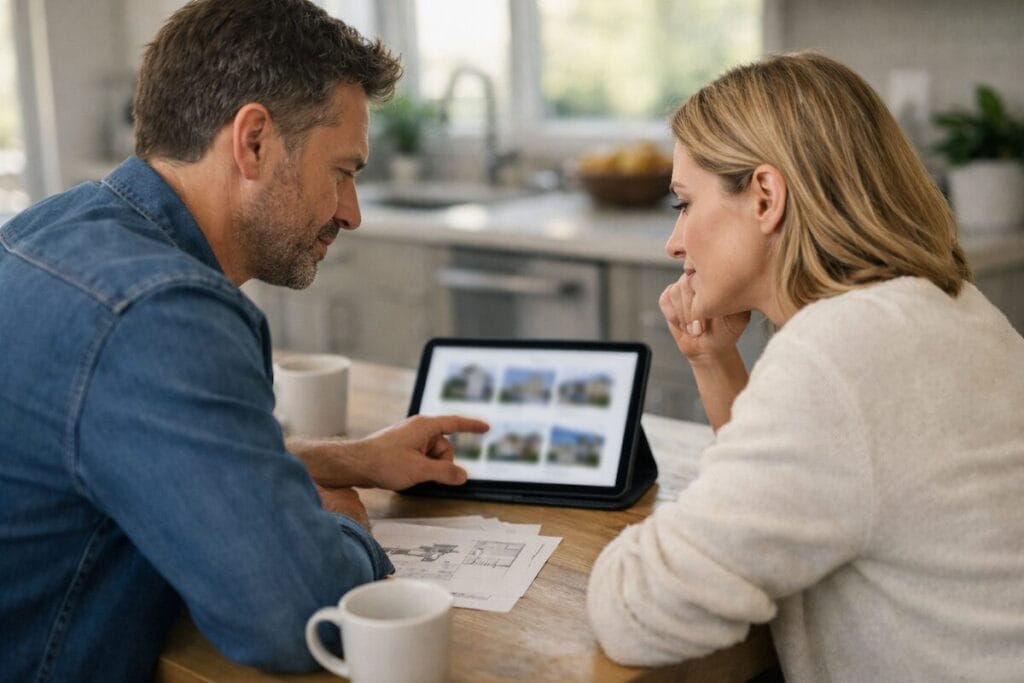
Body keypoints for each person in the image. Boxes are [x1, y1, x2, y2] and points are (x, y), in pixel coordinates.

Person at [0, 1, 486, 680]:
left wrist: (348, 460)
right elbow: (294, 614)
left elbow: (134, 449)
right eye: (343, 171)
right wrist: (339, 523)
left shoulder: (47, 228)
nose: (352, 212)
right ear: (253, 140)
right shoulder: (161, 311)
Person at [586, 52, 1024, 682]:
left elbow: (636, 611)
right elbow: (803, 497)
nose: (674, 242)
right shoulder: (943, 305)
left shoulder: (840, 354)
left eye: (683, 203)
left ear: (765, 196)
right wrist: (714, 360)